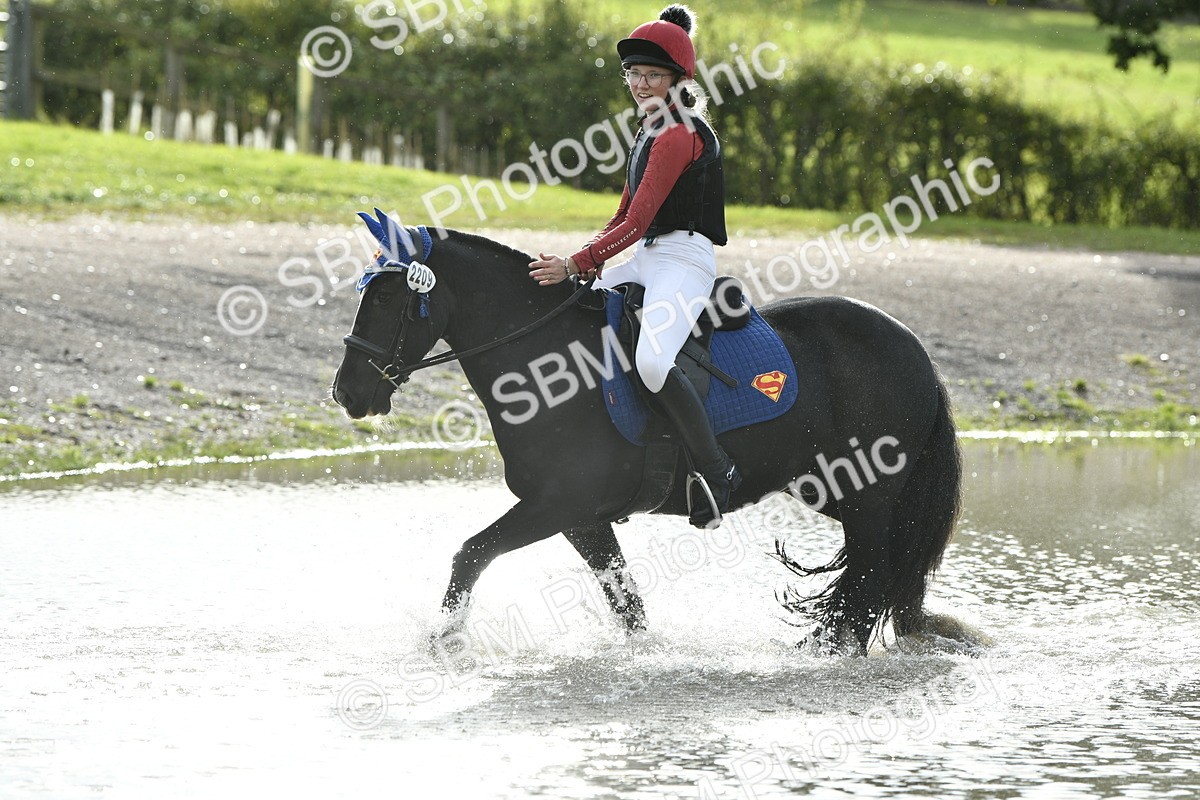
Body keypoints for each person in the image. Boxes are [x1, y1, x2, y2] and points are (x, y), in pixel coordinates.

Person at [528, 4, 740, 529]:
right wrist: (583, 265)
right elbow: (622, 215)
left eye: (652, 75)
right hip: (646, 258)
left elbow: (639, 221)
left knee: (651, 363)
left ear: (677, 79)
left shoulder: (678, 134)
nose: (640, 84)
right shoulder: (649, 128)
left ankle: (717, 473)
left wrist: (577, 262)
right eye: (633, 74)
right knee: (572, 308)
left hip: (683, 263)